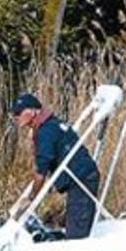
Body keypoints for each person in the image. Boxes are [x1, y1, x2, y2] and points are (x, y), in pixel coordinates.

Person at [10, 93, 101, 240]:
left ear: (33, 112)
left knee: (76, 236)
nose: (16, 117)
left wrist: (31, 198)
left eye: (19, 113)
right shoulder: (53, 125)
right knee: (73, 226)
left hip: (81, 180)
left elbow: (41, 170)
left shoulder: (46, 132)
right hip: (81, 178)